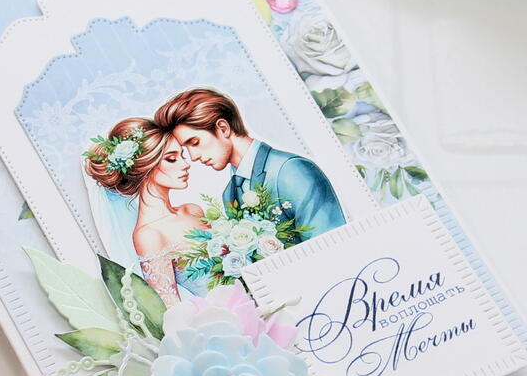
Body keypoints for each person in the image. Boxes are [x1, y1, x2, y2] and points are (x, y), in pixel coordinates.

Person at [153, 87, 345, 241]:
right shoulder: (230, 193)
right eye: (186, 148)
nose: (193, 157)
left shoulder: (291, 170)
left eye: (195, 143)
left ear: (223, 128)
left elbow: (332, 243)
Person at [83, 117, 209, 307]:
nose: (185, 164)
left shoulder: (193, 210)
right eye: (172, 159)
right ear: (145, 167)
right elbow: (171, 305)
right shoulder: (149, 235)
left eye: (182, 156)